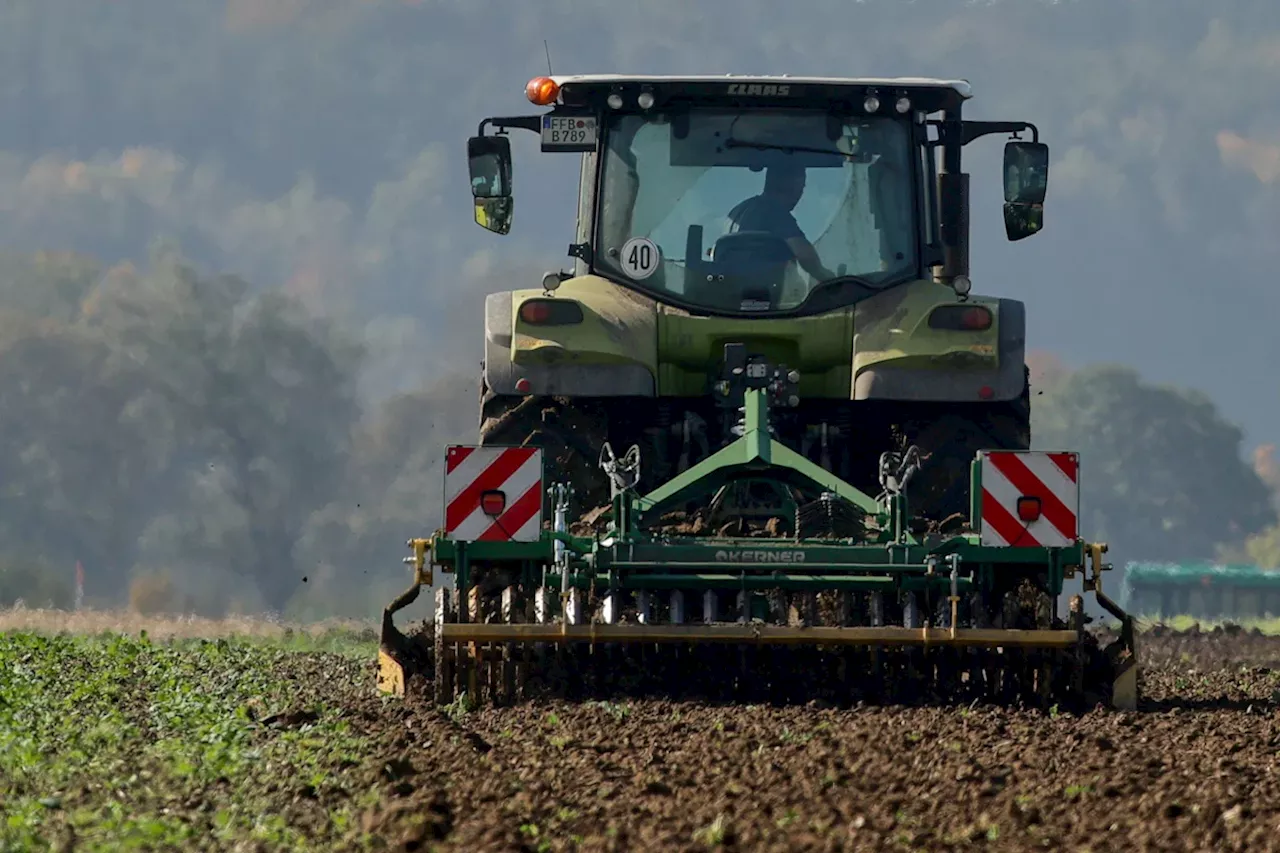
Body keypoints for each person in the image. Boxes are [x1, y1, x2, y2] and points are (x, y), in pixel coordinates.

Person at [724, 163, 837, 282]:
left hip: (733, 291)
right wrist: (826, 277)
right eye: (801, 187)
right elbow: (804, 255)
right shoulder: (775, 211)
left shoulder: (737, 212)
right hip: (762, 290)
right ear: (791, 185)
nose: (801, 194)